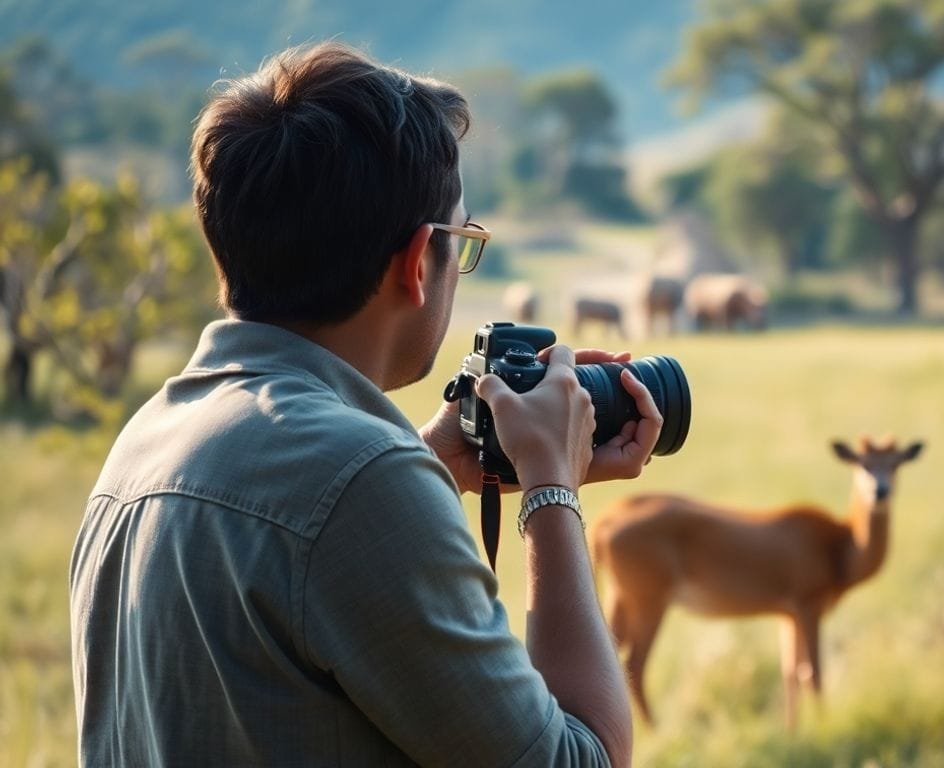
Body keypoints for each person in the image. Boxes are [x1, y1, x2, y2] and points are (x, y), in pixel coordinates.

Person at [69, 42, 659, 767]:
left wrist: (429, 460)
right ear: (417, 263)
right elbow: (582, 760)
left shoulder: (146, 440)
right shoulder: (357, 483)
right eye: (463, 239)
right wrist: (549, 490)